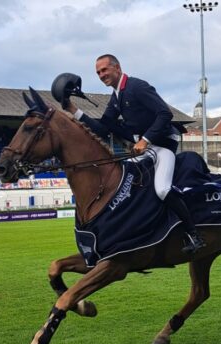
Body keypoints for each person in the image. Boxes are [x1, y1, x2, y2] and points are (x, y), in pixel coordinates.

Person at [62, 54, 205, 254]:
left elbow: (165, 113)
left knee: (162, 189)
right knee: (127, 186)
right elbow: (103, 129)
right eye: (98, 73)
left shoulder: (137, 87)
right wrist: (72, 109)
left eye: (104, 70)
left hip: (163, 146)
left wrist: (145, 140)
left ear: (117, 68)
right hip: (144, 149)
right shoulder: (116, 97)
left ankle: (194, 234)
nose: (101, 75)